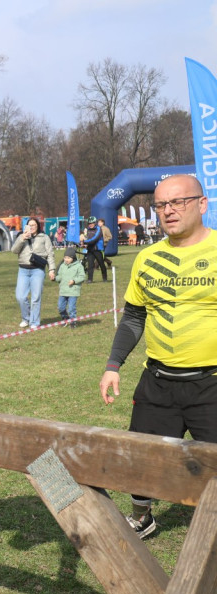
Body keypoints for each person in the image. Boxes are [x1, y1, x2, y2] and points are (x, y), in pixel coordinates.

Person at [100, 175, 217, 539]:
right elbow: (134, 316)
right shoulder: (147, 258)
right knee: (142, 460)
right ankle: (142, 517)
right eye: (162, 205)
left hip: (211, 384)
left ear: (202, 204)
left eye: (178, 202)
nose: (168, 211)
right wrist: (113, 365)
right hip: (158, 382)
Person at [11, 217, 56, 328]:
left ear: (37, 226)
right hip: (23, 270)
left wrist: (51, 270)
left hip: (38, 270)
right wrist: (22, 238)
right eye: (29, 225)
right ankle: (26, 318)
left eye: (33, 225)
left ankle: (34, 322)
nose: (31, 227)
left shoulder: (44, 237)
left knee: (36, 297)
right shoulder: (21, 236)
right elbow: (14, 250)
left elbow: (50, 254)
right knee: (20, 296)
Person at [56, 245, 86, 328]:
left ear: (73, 258)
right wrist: (55, 278)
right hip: (63, 291)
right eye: (65, 257)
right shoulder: (62, 266)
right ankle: (65, 318)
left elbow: (82, 277)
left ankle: (73, 322)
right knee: (60, 307)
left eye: (68, 258)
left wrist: (74, 281)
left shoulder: (78, 266)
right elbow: (59, 276)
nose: (66, 260)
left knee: (71, 308)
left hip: (73, 291)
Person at [82, 218, 108, 283]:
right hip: (90, 249)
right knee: (90, 264)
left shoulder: (98, 229)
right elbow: (87, 238)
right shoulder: (87, 229)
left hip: (97, 249)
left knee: (101, 264)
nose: (90, 225)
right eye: (89, 223)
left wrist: (85, 242)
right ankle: (90, 279)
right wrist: (83, 243)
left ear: (95, 223)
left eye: (92, 223)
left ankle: (105, 278)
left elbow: (95, 239)